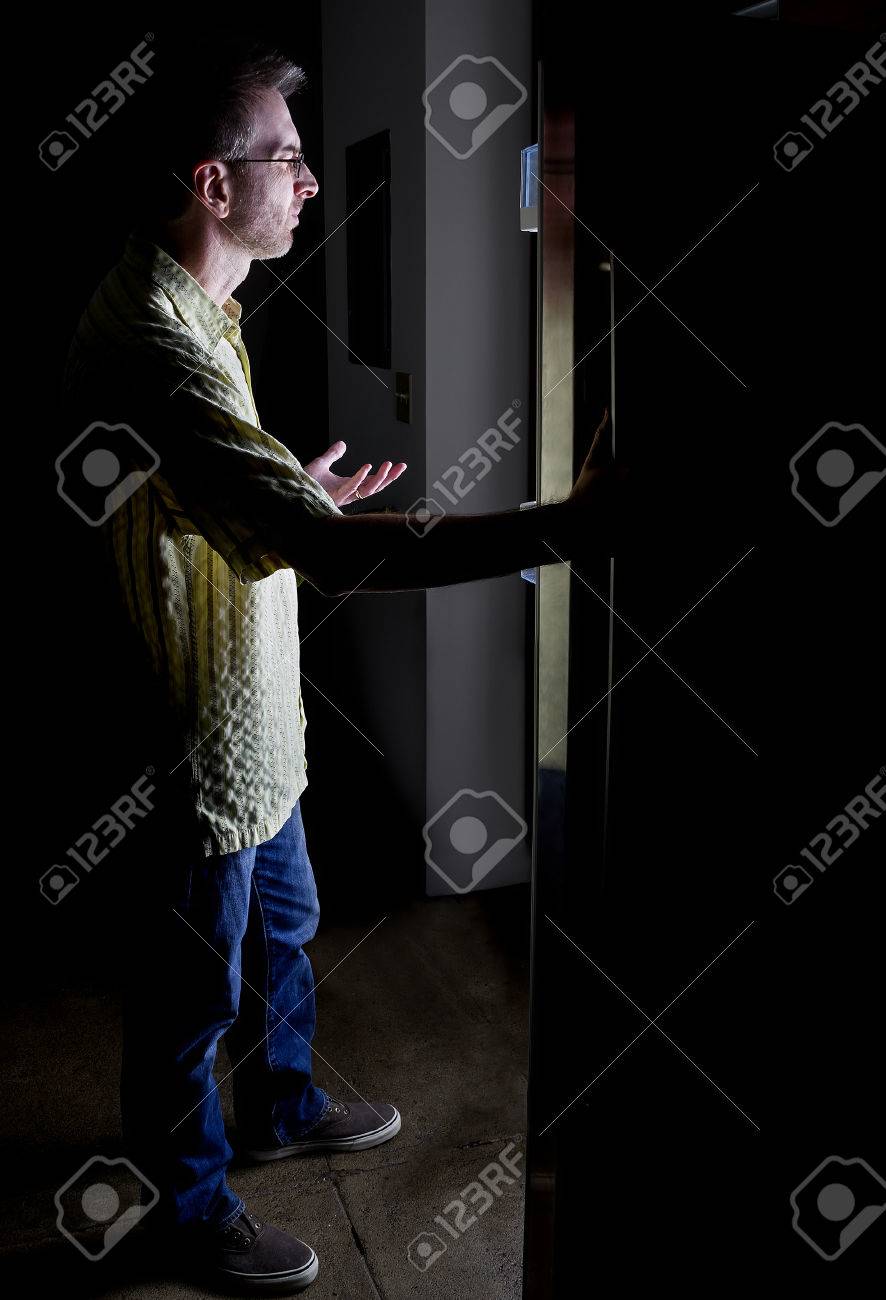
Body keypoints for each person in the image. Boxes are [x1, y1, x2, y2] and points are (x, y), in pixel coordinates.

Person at [61, 38, 619, 1296]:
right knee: (189, 1000)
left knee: (287, 934)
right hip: (194, 741)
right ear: (214, 186)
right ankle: (187, 1213)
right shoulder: (155, 340)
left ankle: (283, 1104)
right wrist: (563, 526)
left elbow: (219, 503)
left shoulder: (208, 306)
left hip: (258, 725)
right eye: (290, 162)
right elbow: (316, 548)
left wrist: (282, 491)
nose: (310, 185)